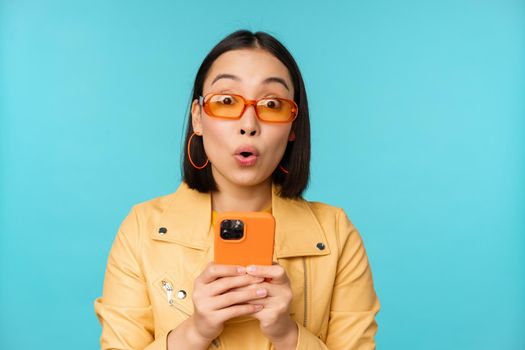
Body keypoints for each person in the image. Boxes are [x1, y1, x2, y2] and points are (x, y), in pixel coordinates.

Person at [94, 29, 381, 350]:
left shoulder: (335, 233)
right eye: (227, 100)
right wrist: (195, 332)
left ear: (292, 128)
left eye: (272, 103)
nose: (249, 123)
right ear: (198, 118)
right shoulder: (141, 229)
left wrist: (288, 335)